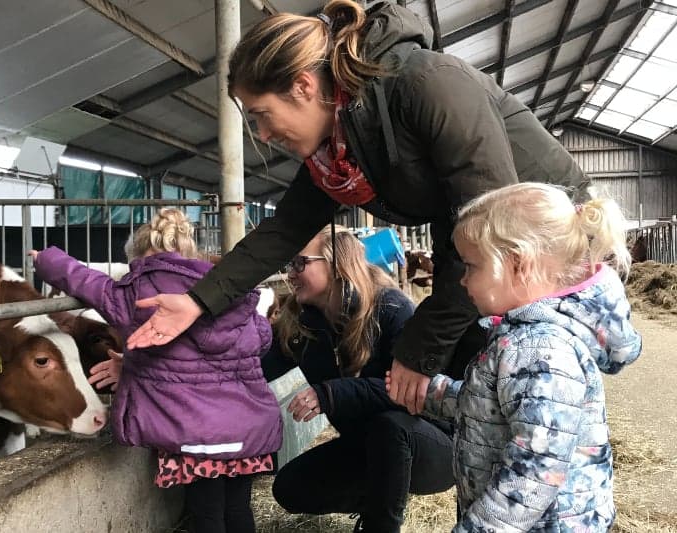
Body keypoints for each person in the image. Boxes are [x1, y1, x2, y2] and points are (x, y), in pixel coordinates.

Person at [126, 0, 591, 419]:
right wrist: (196, 301)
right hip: (490, 271)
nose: (262, 135)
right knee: (484, 400)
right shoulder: (340, 151)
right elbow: (284, 230)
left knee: (534, 403)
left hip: (545, 255)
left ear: (303, 86)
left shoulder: (427, 86)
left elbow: (488, 233)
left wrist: (418, 351)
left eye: (261, 114)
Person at [385, 183, 642, 531]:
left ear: (519, 265)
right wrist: (436, 393)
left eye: (472, 266)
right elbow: (497, 407)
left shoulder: (539, 350)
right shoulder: (521, 337)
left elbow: (535, 468)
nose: (462, 281)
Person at [29, 208, 283, 533]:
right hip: (247, 428)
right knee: (237, 507)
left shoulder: (135, 293)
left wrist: (44, 259)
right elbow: (260, 340)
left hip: (195, 434)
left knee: (206, 513)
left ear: (137, 254)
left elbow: (82, 279)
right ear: (191, 252)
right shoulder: (224, 290)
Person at [261, 226, 455, 533]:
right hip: (365, 447)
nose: (290, 274)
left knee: (389, 426)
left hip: (428, 445)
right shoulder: (304, 324)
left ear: (337, 264)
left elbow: (411, 394)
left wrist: (330, 394)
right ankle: (377, 500)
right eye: (288, 265)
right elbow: (262, 366)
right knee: (289, 487)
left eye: (299, 263)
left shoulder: (391, 309)